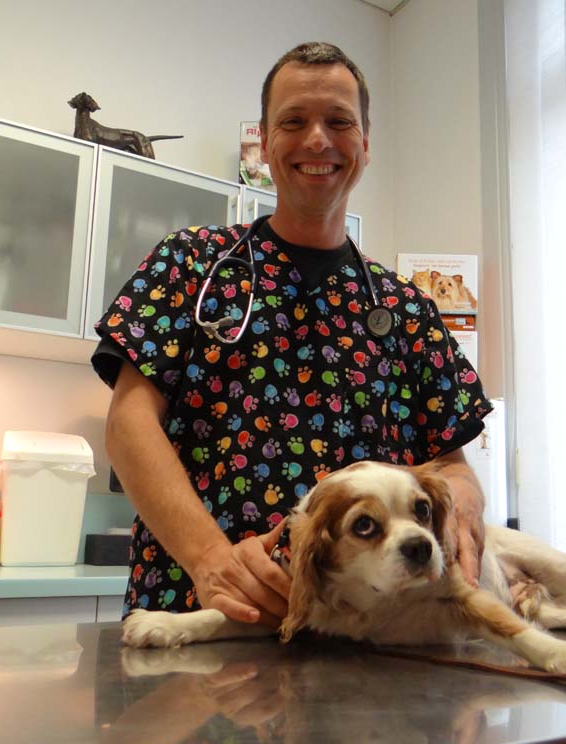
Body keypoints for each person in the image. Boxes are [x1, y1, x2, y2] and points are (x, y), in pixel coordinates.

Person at [91, 41, 492, 629]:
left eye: (339, 122)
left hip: (364, 638)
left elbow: (450, 462)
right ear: (265, 140)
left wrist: (465, 501)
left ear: (365, 143)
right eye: (294, 121)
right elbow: (128, 424)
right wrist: (211, 561)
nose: (317, 140)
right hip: (198, 617)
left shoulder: (406, 309)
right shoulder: (190, 265)